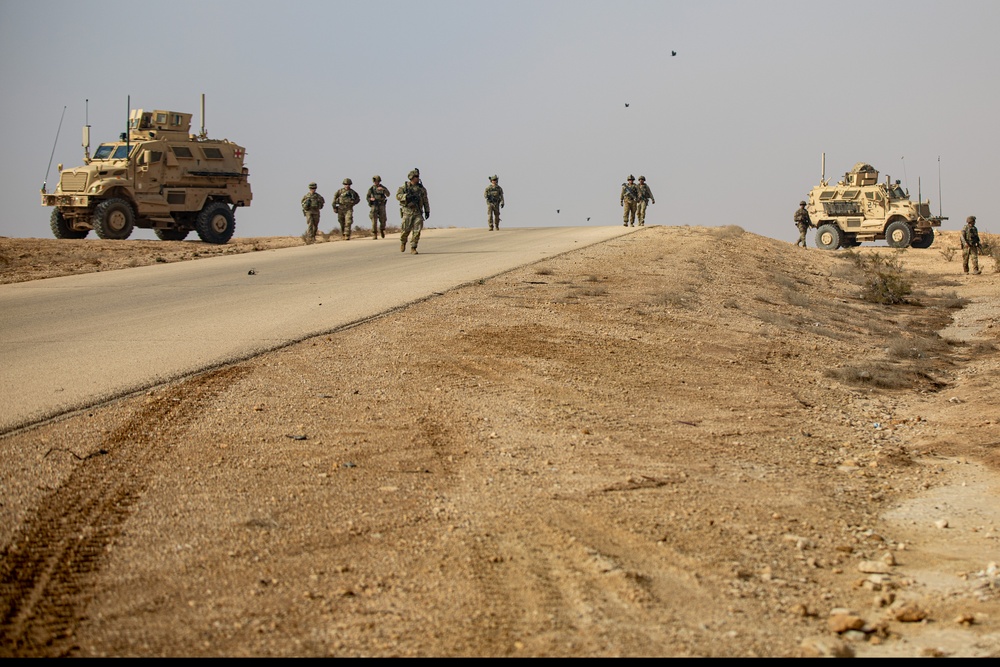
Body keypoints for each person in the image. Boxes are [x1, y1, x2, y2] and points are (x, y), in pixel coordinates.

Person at [397, 169, 430, 254]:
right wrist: (406, 196)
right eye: (416, 176)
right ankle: (403, 242)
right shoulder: (404, 187)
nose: (418, 178)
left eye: (418, 176)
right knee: (405, 230)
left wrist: (427, 211)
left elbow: (425, 200)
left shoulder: (421, 189)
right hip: (407, 212)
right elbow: (397, 196)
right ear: (411, 177)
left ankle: (413, 247)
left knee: (417, 231)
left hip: (418, 212)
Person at [367, 175, 391, 239]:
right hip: (374, 205)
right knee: (374, 220)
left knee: (383, 219)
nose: (375, 182)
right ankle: (374, 233)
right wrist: (370, 199)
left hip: (381, 205)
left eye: (376, 181)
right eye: (374, 181)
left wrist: (383, 189)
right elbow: (367, 197)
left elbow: (388, 194)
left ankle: (382, 229)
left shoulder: (383, 188)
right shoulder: (371, 189)